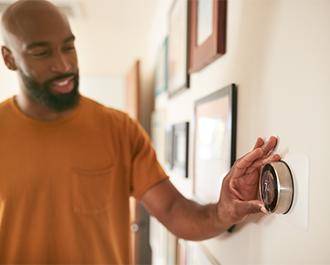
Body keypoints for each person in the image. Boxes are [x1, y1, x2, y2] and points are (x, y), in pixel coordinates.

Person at [0, 0, 281, 263]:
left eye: (69, 47)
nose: (64, 65)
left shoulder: (119, 129)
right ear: (9, 58)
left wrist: (223, 210)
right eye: (41, 52)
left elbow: (173, 211)